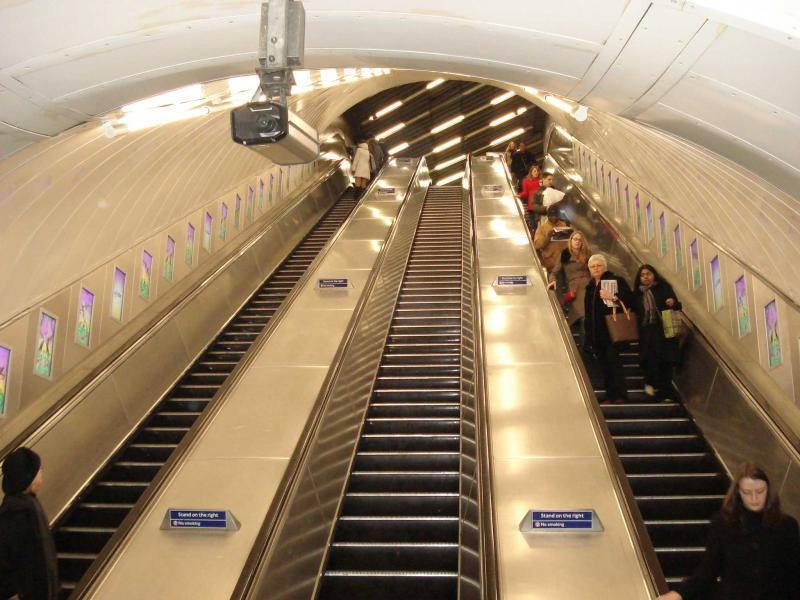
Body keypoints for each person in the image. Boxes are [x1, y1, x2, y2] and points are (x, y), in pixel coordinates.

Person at [657, 462, 800, 600]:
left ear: (769, 490)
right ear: (738, 492)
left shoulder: (787, 526)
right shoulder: (722, 524)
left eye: (760, 491)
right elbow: (708, 570)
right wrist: (679, 594)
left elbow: (793, 575)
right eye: (747, 492)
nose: (754, 498)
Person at [0, 447, 58, 600]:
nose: (42, 470)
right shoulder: (16, 510)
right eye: (39, 468)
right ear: (28, 476)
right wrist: (10, 591)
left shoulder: (26, 504)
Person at [584, 254, 634, 404]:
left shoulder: (616, 281)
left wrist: (612, 296)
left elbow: (630, 300)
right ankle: (610, 395)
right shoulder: (590, 287)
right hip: (596, 333)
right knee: (604, 365)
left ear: (605, 267)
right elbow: (588, 312)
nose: (596, 269)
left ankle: (620, 395)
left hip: (611, 332)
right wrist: (588, 334)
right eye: (592, 267)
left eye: (598, 265)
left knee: (614, 363)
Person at [633, 264, 682, 401]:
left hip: (664, 330)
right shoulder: (637, 293)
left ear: (654, 275)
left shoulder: (664, 288)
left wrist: (673, 303)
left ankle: (665, 392)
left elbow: (678, 306)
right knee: (650, 359)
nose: (646, 277)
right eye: (642, 275)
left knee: (665, 362)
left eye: (648, 274)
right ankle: (650, 384)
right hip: (647, 332)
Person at [548, 231, 592, 327]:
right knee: (583, 311)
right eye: (575, 239)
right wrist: (552, 281)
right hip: (574, 287)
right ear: (571, 240)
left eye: (580, 240)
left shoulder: (587, 254)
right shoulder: (565, 254)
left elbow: (594, 270)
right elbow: (554, 272)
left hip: (588, 283)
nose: (577, 241)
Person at [533, 205, 569, 274]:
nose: (554, 218)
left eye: (556, 216)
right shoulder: (542, 228)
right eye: (551, 216)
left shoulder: (564, 226)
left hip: (564, 263)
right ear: (548, 216)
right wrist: (548, 237)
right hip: (550, 264)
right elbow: (537, 245)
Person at [517, 164, 541, 229]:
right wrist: (518, 195)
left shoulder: (540, 181)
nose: (536, 173)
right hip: (531, 204)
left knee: (537, 223)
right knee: (532, 223)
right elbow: (525, 192)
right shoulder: (526, 181)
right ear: (531, 172)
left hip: (539, 204)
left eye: (538, 171)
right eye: (535, 171)